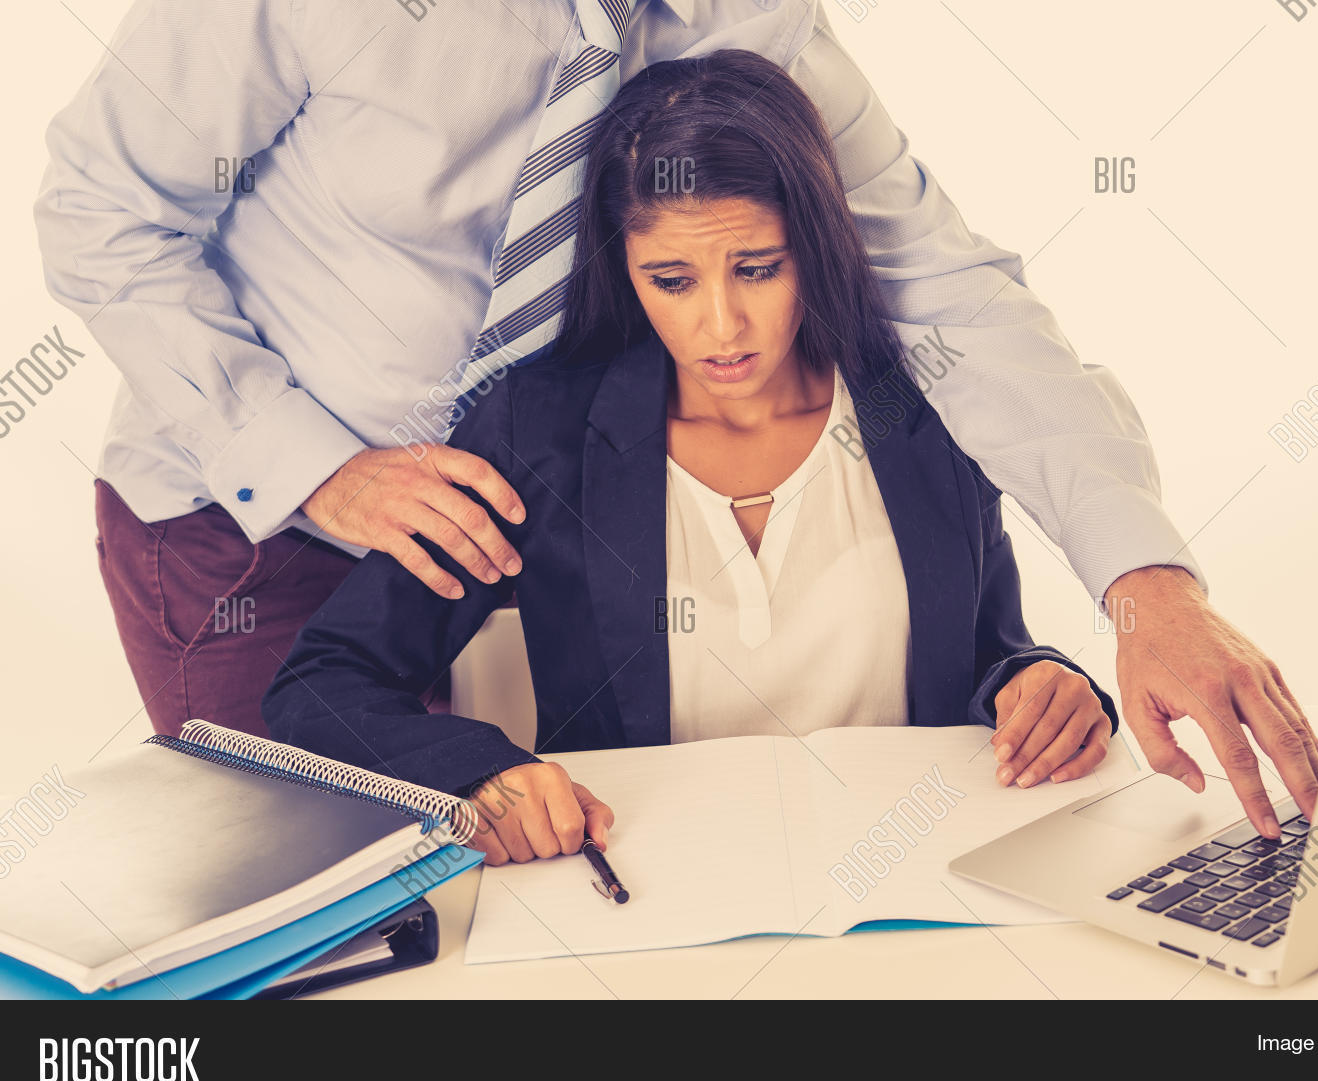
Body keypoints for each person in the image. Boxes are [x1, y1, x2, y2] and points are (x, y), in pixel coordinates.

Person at [36, 0, 1318, 839]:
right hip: (253, 521)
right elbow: (101, 212)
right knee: (302, 927)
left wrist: (1147, 586)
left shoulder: (750, 21)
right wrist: (322, 470)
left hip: (533, 503)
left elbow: (946, 293)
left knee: (487, 901)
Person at [263, 50, 1120, 865]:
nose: (721, 326)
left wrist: (1039, 683)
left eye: (757, 269)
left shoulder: (923, 411)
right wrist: (477, 772)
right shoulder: (540, 429)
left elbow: (988, 652)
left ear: (815, 246)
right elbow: (324, 682)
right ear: (623, 266)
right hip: (642, 891)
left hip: (908, 877)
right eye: (672, 281)